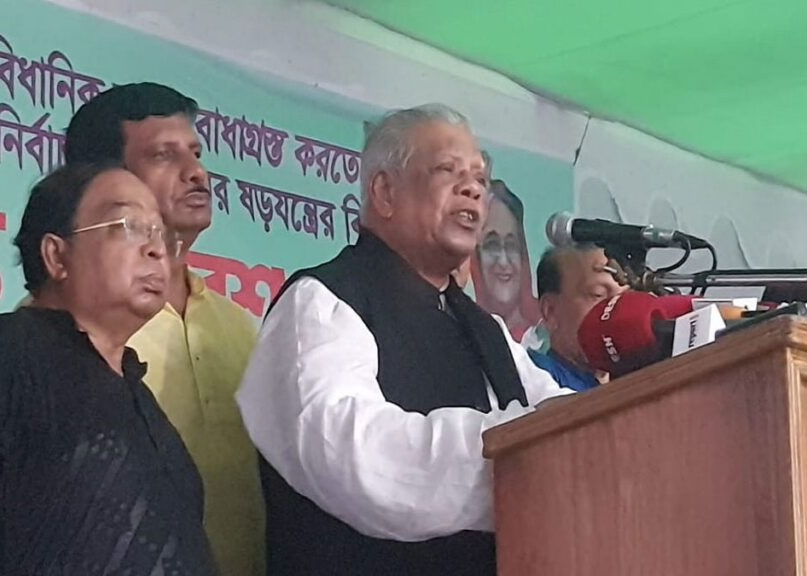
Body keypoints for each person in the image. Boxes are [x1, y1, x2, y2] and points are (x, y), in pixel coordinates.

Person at [237, 104, 569, 575]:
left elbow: (563, 415)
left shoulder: (486, 327)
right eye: (448, 170)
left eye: (480, 177)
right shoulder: (322, 301)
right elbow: (352, 457)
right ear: (385, 192)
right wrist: (514, 449)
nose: (474, 189)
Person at [64, 82, 264, 576]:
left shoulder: (240, 326)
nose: (197, 173)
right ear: (104, 183)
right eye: (163, 155)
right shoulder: (66, 327)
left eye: (196, 153)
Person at [0, 164, 216, 574]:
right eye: (128, 226)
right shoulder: (1, 353)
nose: (157, 250)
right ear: (57, 256)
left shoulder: (137, 393)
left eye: (159, 233)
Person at [529, 245, 627, 391]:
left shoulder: (640, 375)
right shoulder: (535, 377)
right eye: (598, 294)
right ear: (550, 311)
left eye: (624, 297)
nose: (618, 308)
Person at [471, 179, 540, 340]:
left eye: (511, 245)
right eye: (492, 245)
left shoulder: (545, 333)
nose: (503, 261)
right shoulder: (463, 331)